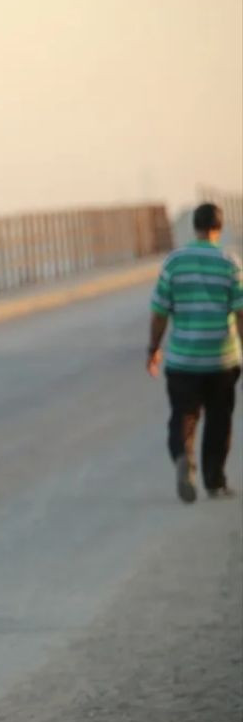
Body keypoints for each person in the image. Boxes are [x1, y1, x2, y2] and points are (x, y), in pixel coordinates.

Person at [146, 202, 243, 502]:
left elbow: (159, 312)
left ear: (195, 227)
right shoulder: (230, 262)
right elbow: (241, 313)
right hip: (221, 360)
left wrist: (154, 348)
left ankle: (182, 457)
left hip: (183, 359)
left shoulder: (174, 263)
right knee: (218, 419)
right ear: (219, 228)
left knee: (183, 416)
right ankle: (214, 481)